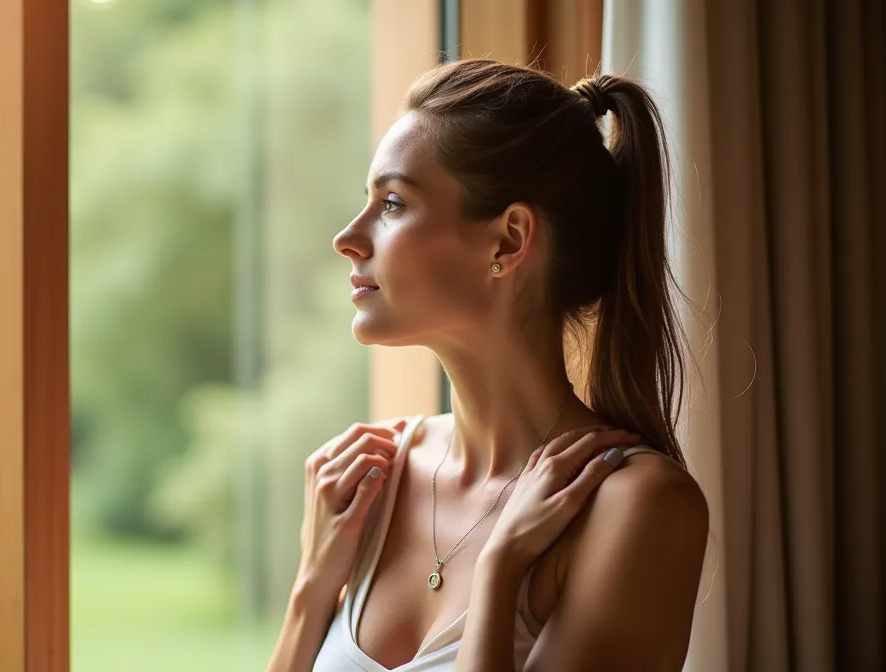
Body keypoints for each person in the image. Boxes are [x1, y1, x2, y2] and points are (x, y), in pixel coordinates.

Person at [266, 59, 710, 671]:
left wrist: (500, 572)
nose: (349, 236)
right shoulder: (373, 477)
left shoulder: (636, 509)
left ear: (507, 240)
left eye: (392, 204)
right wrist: (311, 592)